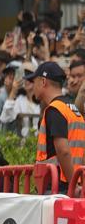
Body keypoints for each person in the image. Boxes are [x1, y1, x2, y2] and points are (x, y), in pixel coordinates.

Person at [27, 61, 85, 192]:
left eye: (33, 81)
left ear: (43, 81)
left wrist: (73, 185)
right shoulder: (72, 109)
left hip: (58, 187)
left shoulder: (55, 110)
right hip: (75, 183)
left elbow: (63, 150)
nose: (32, 86)